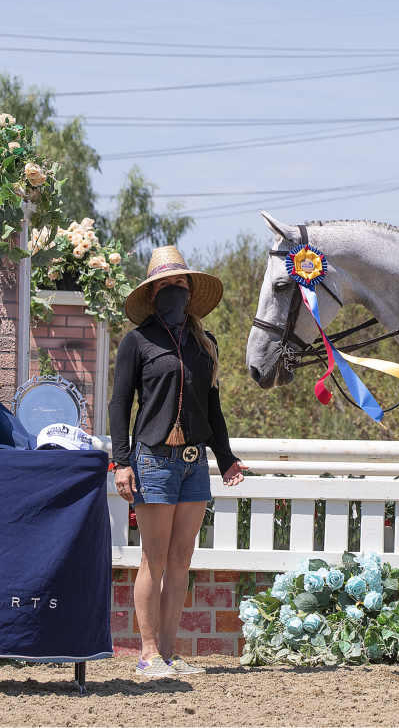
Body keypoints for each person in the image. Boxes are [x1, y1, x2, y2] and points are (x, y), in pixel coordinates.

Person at [110, 246, 248, 679]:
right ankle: (147, 654)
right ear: (153, 294)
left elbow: (214, 410)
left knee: (181, 560)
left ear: (190, 292)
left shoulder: (204, 344)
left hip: (194, 463)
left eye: (180, 284)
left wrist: (226, 459)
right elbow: (119, 405)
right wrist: (122, 462)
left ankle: (170, 654)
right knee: (154, 558)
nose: (174, 291)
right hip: (152, 459)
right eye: (166, 285)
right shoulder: (137, 341)